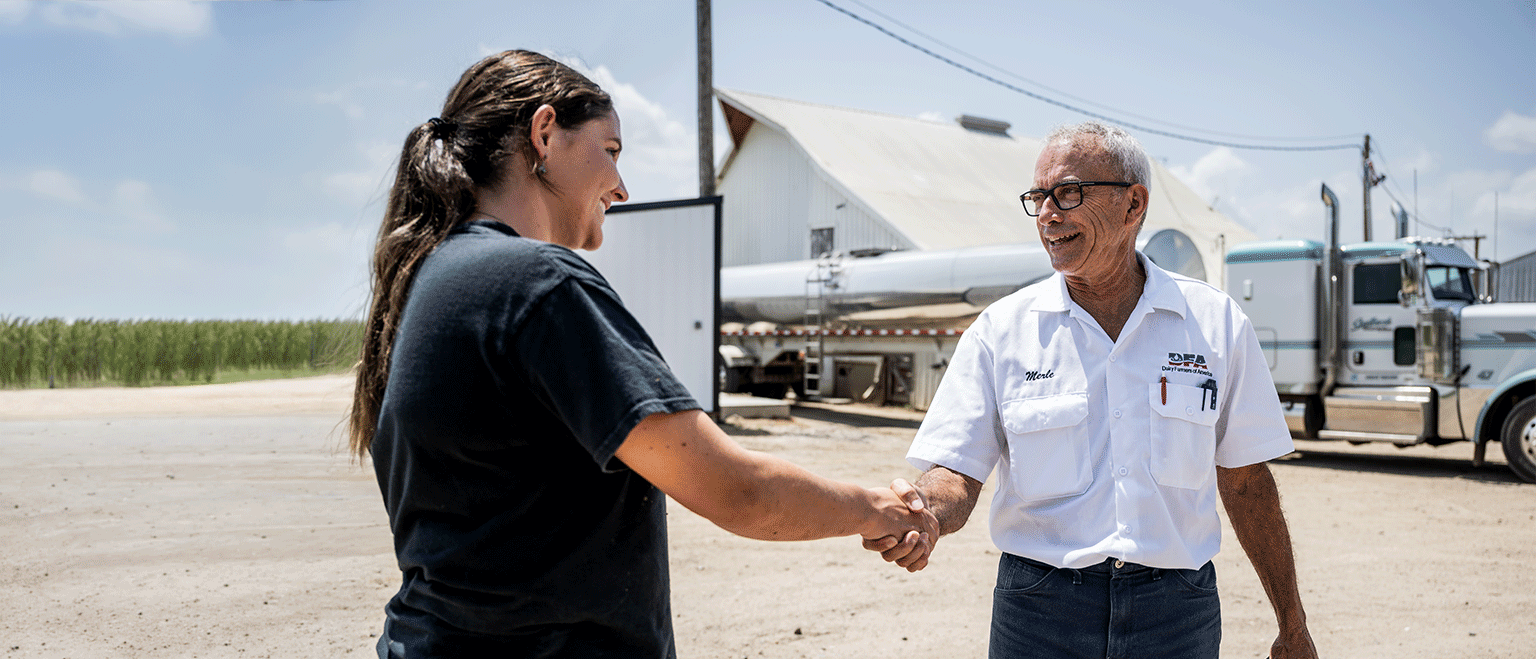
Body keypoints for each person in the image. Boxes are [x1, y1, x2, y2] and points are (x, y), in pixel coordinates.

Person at [348, 50, 937, 658]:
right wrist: (875, 509)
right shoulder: (538, 283)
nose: (621, 186)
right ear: (544, 134)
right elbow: (738, 492)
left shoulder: (428, 280)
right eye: (610, 151)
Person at [885, 121, 1318, 658]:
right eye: (1038, 197)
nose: (1047, 214)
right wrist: (925, 511)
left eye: (1068, 193)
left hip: (1176, 618)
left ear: (1133, 204)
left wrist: (1292, 622)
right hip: (1039, 615)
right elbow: (956, 470)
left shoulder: (1216, 325)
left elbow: (1247, 483)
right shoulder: (1001, 332)